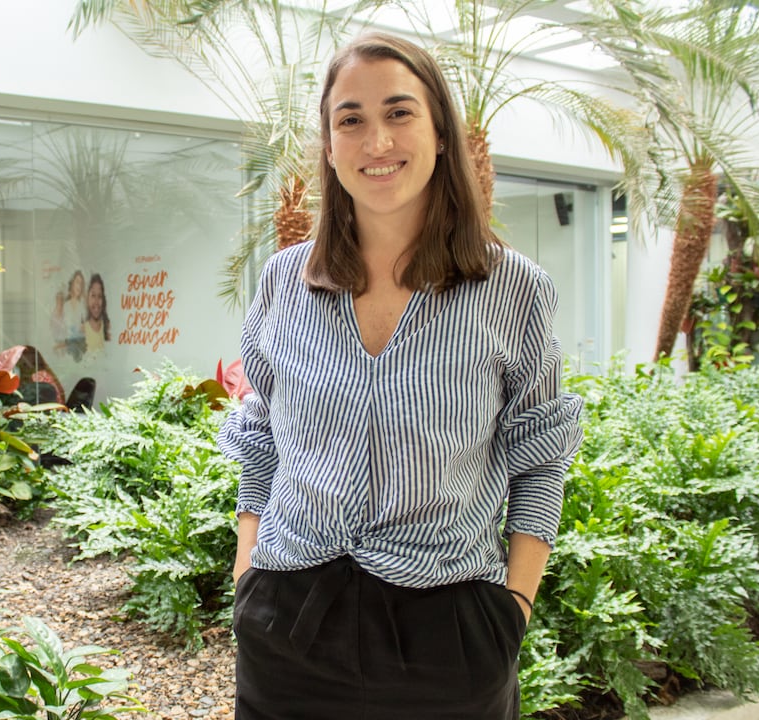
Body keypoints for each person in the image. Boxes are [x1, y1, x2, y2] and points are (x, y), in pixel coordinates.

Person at [216, 32, 584, 719]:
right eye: (350, 119)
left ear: (441, 132)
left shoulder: (514, 290)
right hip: (287, 624)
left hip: (448, 636)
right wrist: (247, 572)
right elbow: (262, 433)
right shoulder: (281, 284)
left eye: (399, 112)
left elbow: (540, 457)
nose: (376, 140)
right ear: (328, 146)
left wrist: (515, 610)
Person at [53, 270, 88, 360]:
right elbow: (59, 327)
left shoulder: (82, 305)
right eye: (77, 282)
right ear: (72, 284)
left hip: (79, 344)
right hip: (68, 344)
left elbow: (86, 328)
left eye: (81, 284)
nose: (79, 286)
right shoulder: (65, 305)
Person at [82, 273, 111, 355]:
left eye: (99, 296)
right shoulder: (82, 330)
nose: (96, 302)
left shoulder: (108, 328)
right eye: (93, 296)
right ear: (87, 299)